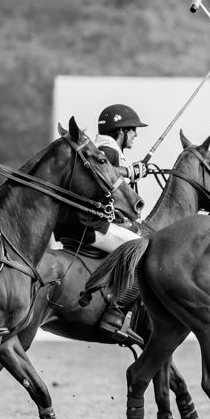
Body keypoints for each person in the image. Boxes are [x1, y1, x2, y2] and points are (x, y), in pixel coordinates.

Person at [54, 103, 149, 344]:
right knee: (145, 251)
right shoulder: (109, 150)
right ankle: (115, 312)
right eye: (133, 130)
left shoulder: (102, 147)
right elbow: (102, 174)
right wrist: (129, 172)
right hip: (88, 225)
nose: (136, 135)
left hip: (70, 226)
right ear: (122, 131)